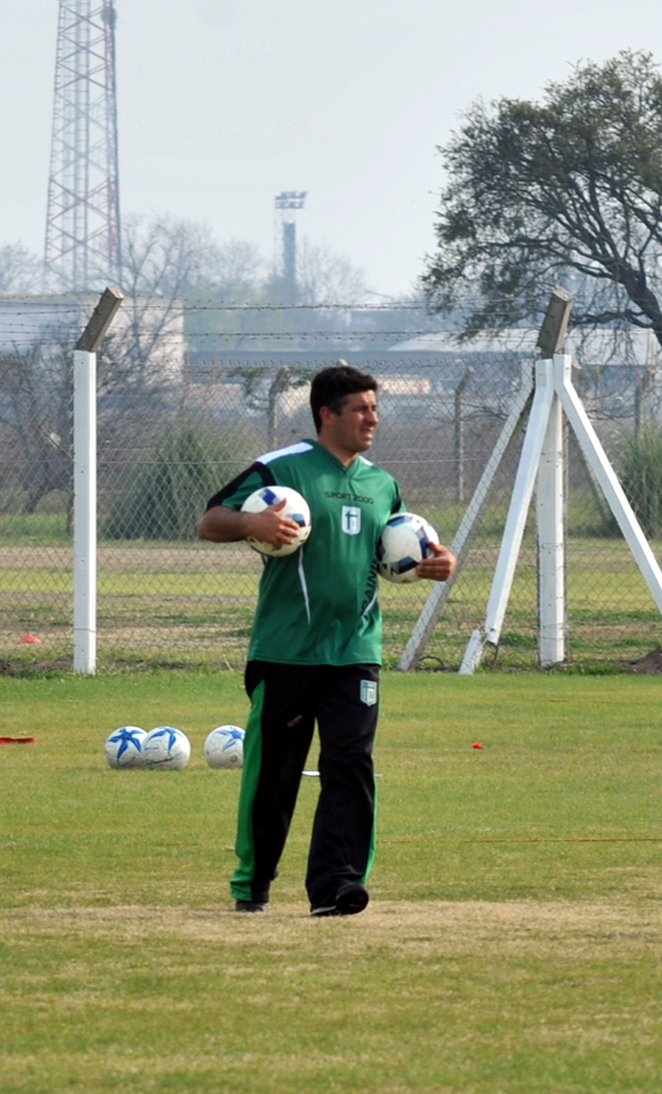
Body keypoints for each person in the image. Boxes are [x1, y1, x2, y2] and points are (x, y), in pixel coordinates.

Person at [198, 365, 456, 915]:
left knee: (351, 764)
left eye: (374, 408)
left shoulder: (381, 484)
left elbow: (403, 546)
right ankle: (254, 884)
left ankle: (336, 884)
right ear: (327, 414)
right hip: (285, 651)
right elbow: (210, 520)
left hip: (356, 653)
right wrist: (253, 526)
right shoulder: (282, 469)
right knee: (276, 773)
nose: (373, 418)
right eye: (361, 408)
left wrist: (436, 562)